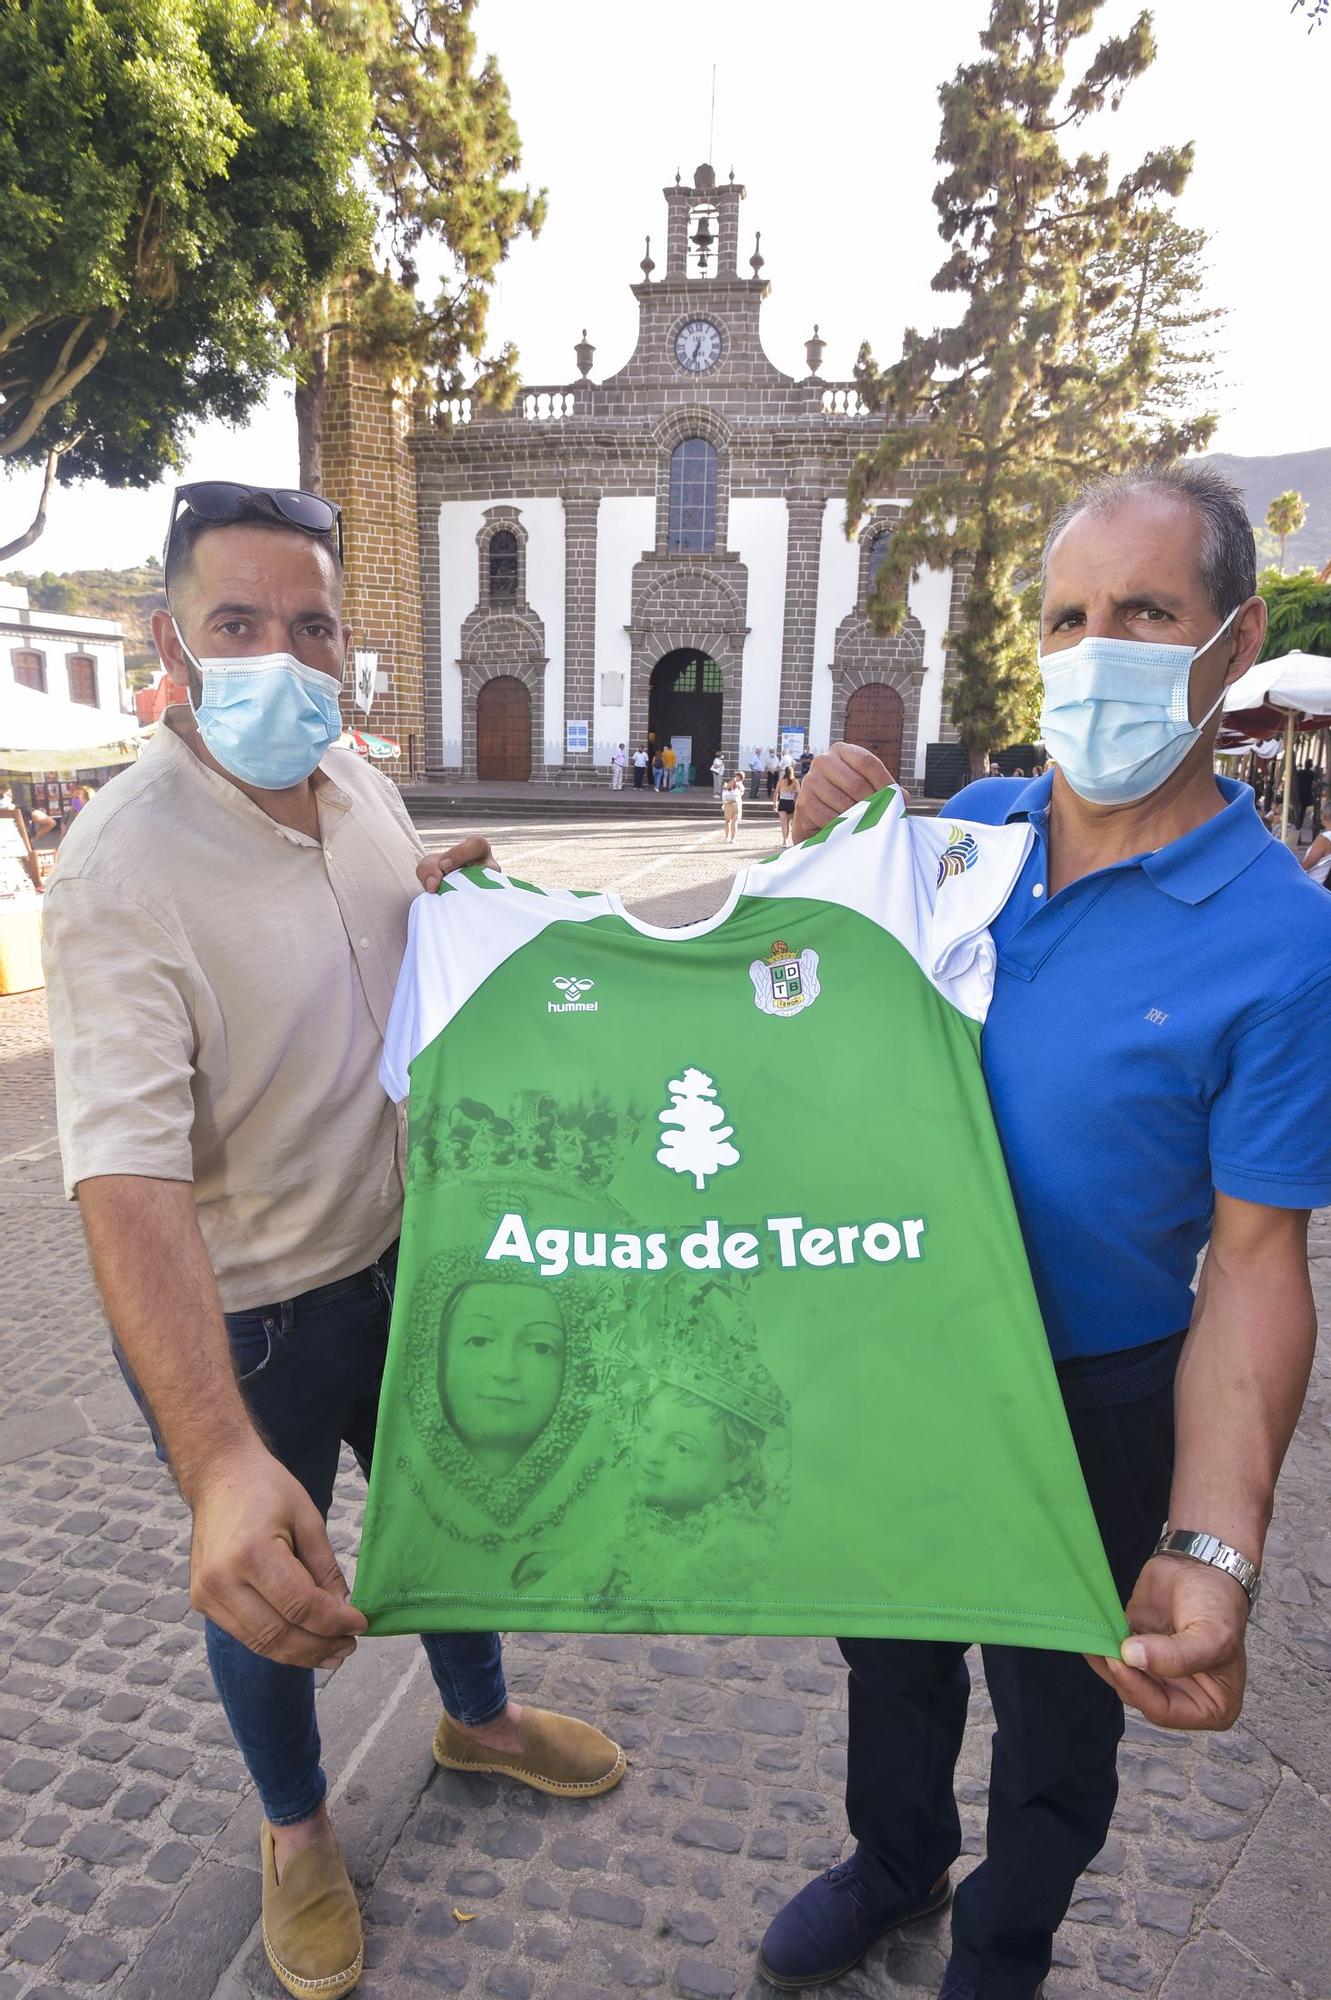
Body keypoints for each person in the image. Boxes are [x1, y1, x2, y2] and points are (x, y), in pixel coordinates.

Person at [41, 481, 624, 2000]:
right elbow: (123, 1176)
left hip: (403, 1255)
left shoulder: (358, 780)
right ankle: (296, 1833)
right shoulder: (119, 867)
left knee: (461, 1509)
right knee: (268, 1582)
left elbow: (366, 944)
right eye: (238, 623)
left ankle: (475, 1719)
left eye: (309, 626)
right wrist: (219, 1457)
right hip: (250, 1321)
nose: (279, 657)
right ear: (172, 639)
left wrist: (431, 899)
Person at [760, 461, 1331, 2000]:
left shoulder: (1283, 937)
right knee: (888, 1659)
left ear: (1229, 634)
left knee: (1061, 1715)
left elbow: (1257, 1264)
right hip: (904, 1361)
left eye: (1142, 611)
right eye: (1065, 619)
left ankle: (1002, 1946)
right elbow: (786, 991)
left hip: (1096, 1400)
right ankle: (892, 1865)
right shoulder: (971, 841)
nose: (1096, 652)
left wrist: (1212, 1541)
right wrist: (832, 823)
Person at [772, 763, 800, 847]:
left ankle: (785, 841)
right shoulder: (795, 781)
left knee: (784, 823)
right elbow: (800, 793)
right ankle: (792, 840)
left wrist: (774, 803)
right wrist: (797, 802)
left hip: (782, 802)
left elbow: (776, 793)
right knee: (790, 823)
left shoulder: (781, 781)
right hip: (791, 802)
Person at [721, 770, 744, 844]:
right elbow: (741, 793)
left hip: (729, 803)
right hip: (737, 804)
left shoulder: (732, 782)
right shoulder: (741, 785)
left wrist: (725, 786)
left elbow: (725, 789)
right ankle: (733, 838)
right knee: (734, 822)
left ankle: (727, 837)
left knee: (727, 821)